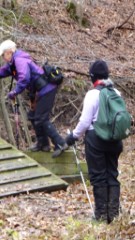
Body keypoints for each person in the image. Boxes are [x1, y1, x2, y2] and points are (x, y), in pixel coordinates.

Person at [66, 60, 123, 223]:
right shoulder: (116, 92)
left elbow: (85, 121)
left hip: (96, 139)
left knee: (98, 176)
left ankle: (101, 215)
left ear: (92, 77)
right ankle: (114, 214)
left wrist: (74, 136)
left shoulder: (92, 94)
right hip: (115, 140)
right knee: (112, 174)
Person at [0, 39, 68, 157]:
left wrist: (15, 92)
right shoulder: (12, 64)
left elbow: (24, 79)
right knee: (32, 116)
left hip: (47, 89)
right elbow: (2, 72)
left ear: (10, 52)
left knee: (41, 118)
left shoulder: (19, 60)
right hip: (40, 91)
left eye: (3, 55)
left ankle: (61, 143)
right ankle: (43, 144)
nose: (3, 58)